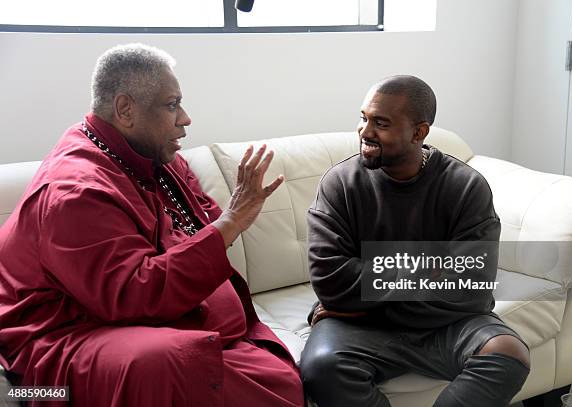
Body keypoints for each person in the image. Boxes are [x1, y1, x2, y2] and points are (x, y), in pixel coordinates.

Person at [0, 43, 304, 407]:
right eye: (172, 105)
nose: (186, 118)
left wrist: (223, 223)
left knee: (267, 375)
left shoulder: (154, 154)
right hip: (64, 336)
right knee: (168, 360)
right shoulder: (76, 192)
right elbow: (130, 294)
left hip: (161, 318)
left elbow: (199, 220)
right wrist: (231, 223)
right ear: (126, 109)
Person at [300, 75, 530, 407]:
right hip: (363, 327)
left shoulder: (465, 187)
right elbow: (330, 280)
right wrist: (427, 270)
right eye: (363, 118)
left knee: (507, 354)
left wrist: (366, 292)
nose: (365, 132)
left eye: (381, 123)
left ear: (418, 132)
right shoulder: (340, 184)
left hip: (436, 324)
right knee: (322, 367)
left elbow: (472, 288)